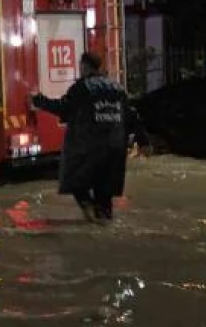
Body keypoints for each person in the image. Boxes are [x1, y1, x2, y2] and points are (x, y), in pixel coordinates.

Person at [30, 52, 140, 222]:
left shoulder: (82, 87)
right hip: (115, 149)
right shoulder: (117, 87)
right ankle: (103, 223)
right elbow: (132, 114)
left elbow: (63, 108)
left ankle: (89, 209)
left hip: (89, 148)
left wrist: (38, 100)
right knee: (104, 194)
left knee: (76, 182)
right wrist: (144, 139)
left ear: (84, 66)